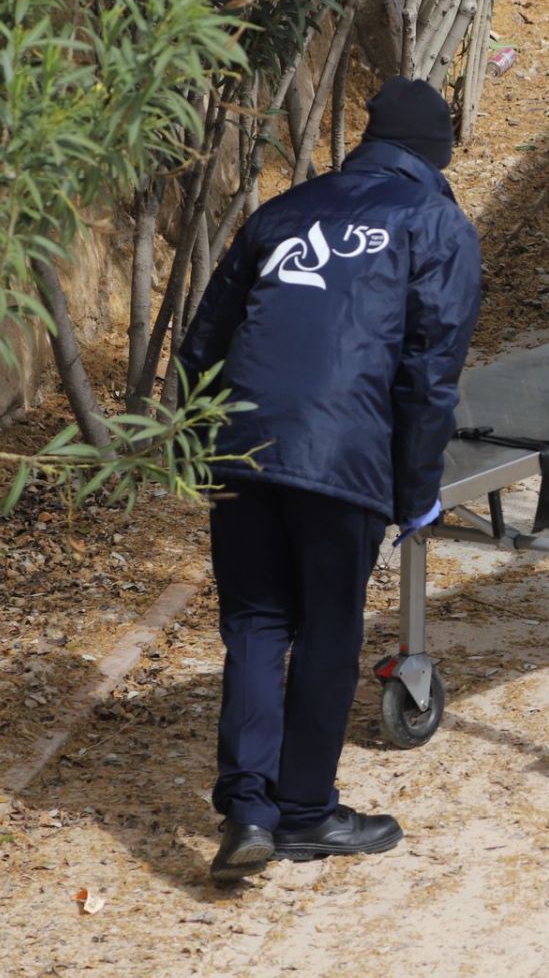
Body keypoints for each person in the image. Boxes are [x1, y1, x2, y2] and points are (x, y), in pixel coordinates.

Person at [178, 77, 481, 886]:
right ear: (435, 152)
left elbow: (203, 343)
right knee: (328, 628)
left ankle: (247, 809)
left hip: (241, 445)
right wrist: (416, 488)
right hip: (342, 454)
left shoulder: (281, 211)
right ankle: (306, 813)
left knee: (253, 619)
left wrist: (199, 442)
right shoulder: (436, 222)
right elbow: (429, 374)